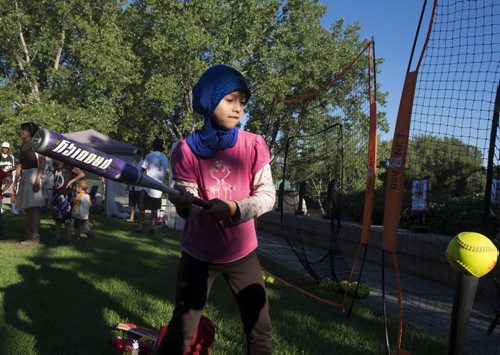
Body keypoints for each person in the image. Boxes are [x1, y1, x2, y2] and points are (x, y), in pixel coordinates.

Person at [158, 65, 276, 354]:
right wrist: (184, 203)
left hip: (242, 254)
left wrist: (234, 208)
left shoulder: (253, 145)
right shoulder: (185, 150)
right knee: (182, 329)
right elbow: (189, 201)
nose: (238, 109)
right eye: (230, 99)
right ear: (210, 100)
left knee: (259, 328)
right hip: (198, 254)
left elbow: (268, 195)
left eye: (243, 102)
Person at [14, 122, 46, 244]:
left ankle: (35, 235)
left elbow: (42, 162)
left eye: (24, 129)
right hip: (25, 177)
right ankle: (29, 232)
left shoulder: (37, 144)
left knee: (34, 207)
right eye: (21, 129)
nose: (21, 131)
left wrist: (38, 179)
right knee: (27, 208)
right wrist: (15, 181)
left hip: (34, 176)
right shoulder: (22, 147)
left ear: (30, 131)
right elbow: (19, 166)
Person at [135, 138, 168, 234]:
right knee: (154, 210)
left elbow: (142, 170)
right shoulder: (165, 158)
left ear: (153, 146)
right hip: (158, 187)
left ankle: (139, 228)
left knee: (142, 209)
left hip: (147, 186)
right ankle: (151, 229)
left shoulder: (150, 155)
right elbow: (164, 172)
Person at [50, 160, 85, 246]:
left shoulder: (69, 166)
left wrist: (71, 181)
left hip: (66, 195)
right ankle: (57, 239)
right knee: (57, 219)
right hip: (56, 195)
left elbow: (82, 174)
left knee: (67, 219)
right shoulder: (55, 167)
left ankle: (69, 240)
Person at [126, 148, 144, 223]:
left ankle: (141, 219)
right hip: (132, 186)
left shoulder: (143, 163)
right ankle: (132, 217)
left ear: (139, 155)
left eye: (135, 155)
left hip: (140, 187)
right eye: (133, 155)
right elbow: (129, 175)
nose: (133, 156)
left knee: (140, 205)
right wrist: (128, 185)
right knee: (132, 204)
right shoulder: (132, 163)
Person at [0, 142, 16, 214]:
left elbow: (14, 167)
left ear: (8, 149)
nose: (5, 149)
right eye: (4, 148)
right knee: (0, 192)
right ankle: (0, 208)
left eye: (6, 148)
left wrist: (9, 169)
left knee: (12, 193)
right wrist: (2, 170)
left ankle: (13, 208)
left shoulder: (11, 157)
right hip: (1, 177)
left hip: (9, 177)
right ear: (2, 148)